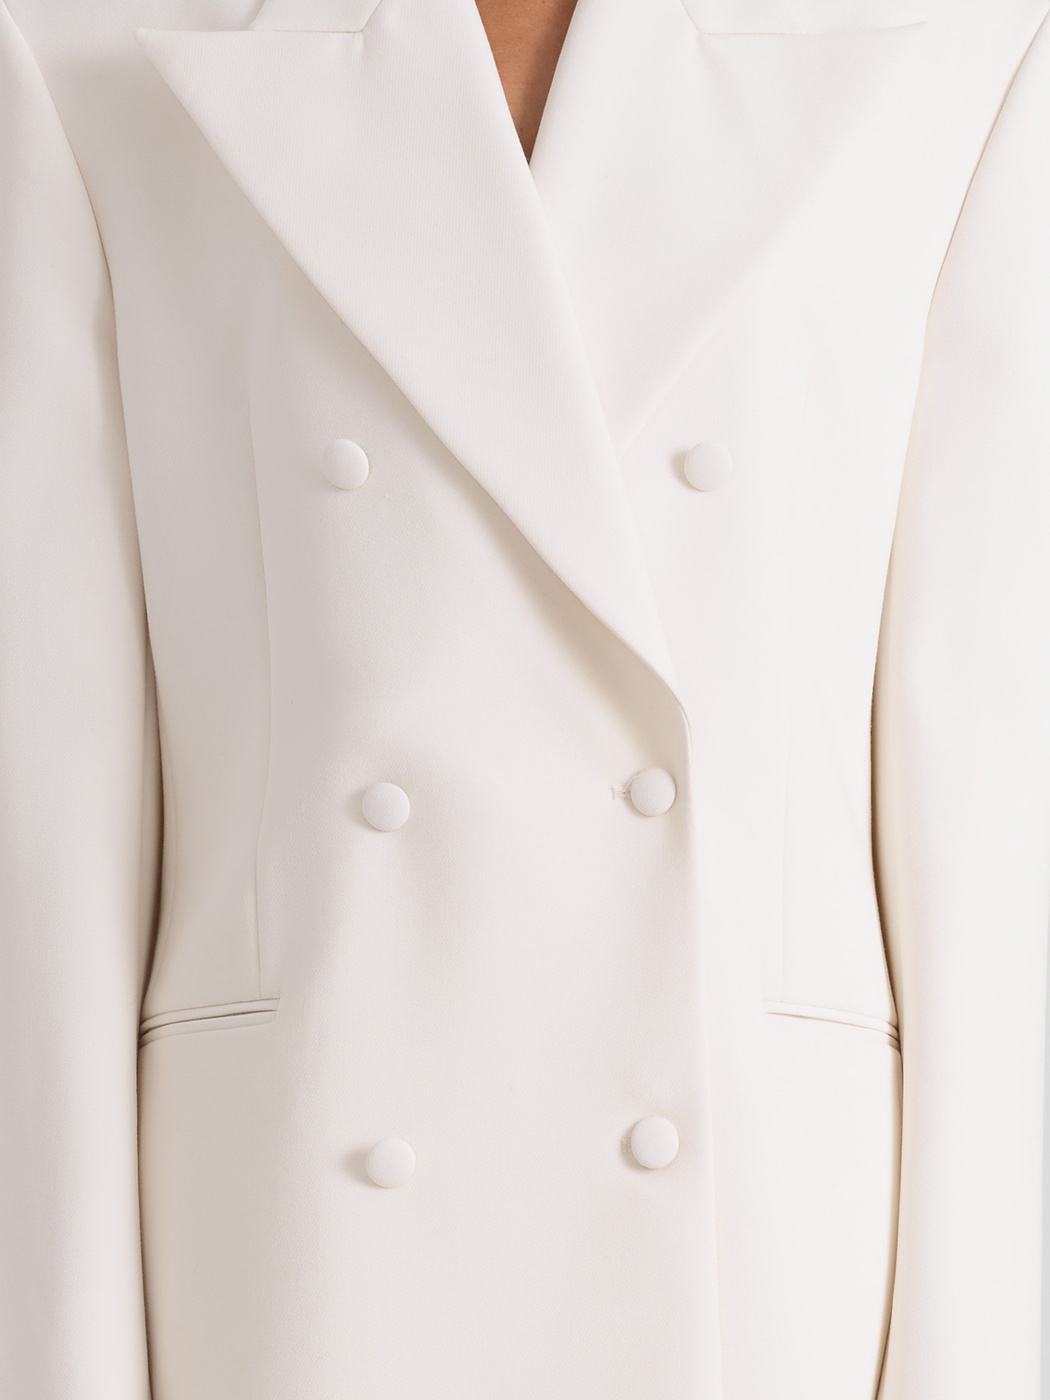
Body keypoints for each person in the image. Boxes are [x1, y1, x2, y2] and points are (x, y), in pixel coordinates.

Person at [1, 0, 1048, 1396]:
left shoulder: (963, 49)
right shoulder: (77, 48)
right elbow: (50, 828)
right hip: (295, 1267)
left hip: (773, 1257)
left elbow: (988, 800)